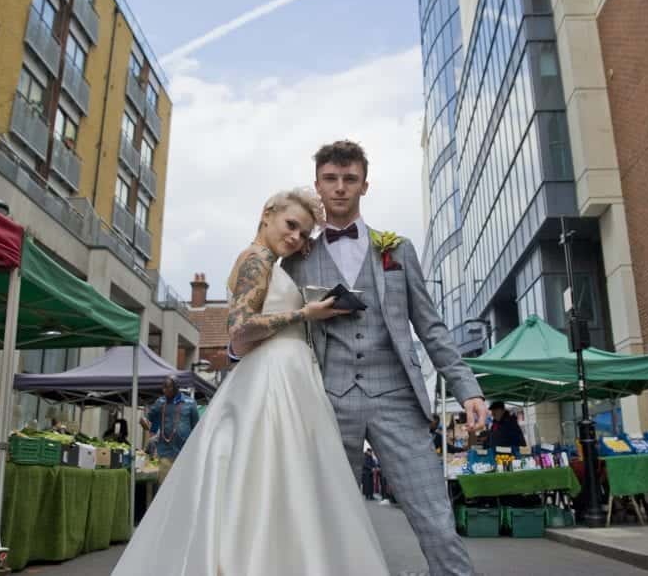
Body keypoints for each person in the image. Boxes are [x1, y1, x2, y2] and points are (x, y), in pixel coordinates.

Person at [112, 188, 390, 575]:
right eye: (291, 225)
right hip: (271, 380)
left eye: (304, 233)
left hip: (287, 377)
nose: (296, 238)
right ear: (267, 214)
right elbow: (239, 331)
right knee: (273, 482)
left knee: (278, 483)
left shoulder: (271, 262)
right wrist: (304, 314)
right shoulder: (256, 258)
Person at [281, 140, 487, 576]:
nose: (340, 188)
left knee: (435, 517)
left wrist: (468, 389)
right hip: (328, 400)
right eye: (331, 180)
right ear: (318, 185)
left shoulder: (398, 250)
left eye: (349, 179)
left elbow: (430, 328)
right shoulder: (297, 258)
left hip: (396, 396)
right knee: (325, 522)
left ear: (365, 185)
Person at [138, 376, 199, 484]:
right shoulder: (161, 402)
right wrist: (144, 420)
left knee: (182, 485)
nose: (165, 390)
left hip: (184, 452)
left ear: (176, 387)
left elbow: (196, 428)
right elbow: (149, 418)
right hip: (166, 452)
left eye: (168, 387)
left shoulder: (190, 403)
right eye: (163, 387)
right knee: (165, 486)